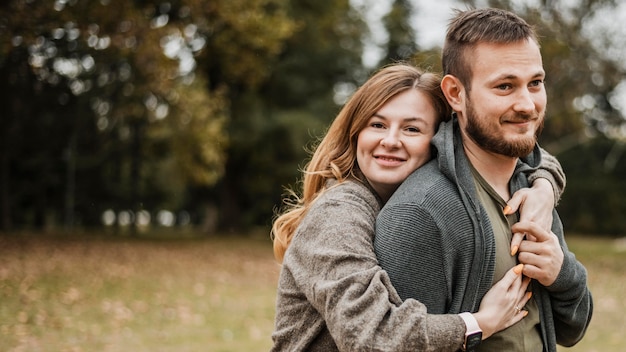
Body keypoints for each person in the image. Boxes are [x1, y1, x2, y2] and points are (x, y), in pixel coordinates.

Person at [270, 63, 566, 351]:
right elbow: (370, 336)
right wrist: (477, 324)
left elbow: (523, 155)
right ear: (356, 132)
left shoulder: (423, 198)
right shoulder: (339, 213)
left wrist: (544, 185)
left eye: (411, 129)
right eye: (377, 124)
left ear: (441, 142)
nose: (390, 140)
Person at [374, 8, 593, 352]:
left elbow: (573, 329)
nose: (527, 104)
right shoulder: (420, 214)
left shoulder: (533, 191)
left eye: (535, 83)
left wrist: (562, 273)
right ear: (456, 94)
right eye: (505, 86)